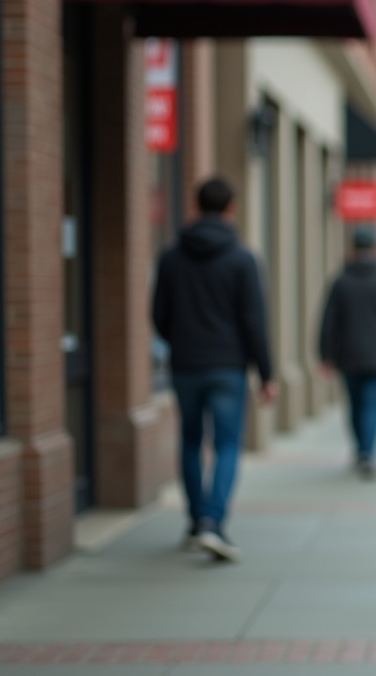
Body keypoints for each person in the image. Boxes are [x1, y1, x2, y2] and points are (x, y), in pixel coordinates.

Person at [152, 176, 277, 563]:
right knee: (226, 444)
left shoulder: (171, 256)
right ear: (231, 208)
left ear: (195, 206)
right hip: (227, 367)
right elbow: (254, 321)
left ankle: (195, 522)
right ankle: (213, 521)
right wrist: (266, 374)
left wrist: (181, 341)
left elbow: (158, 315)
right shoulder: (243, 258)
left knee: (190, 440)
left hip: (186, 365)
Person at [319, 226, 376, 479]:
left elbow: (328, 321)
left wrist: (325, 355)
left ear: (352, 250)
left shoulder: (340, 281)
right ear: (374, 249)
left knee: (355, 405)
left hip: (348, 355)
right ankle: (368, 453)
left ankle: (361, 450)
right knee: (372, 404)